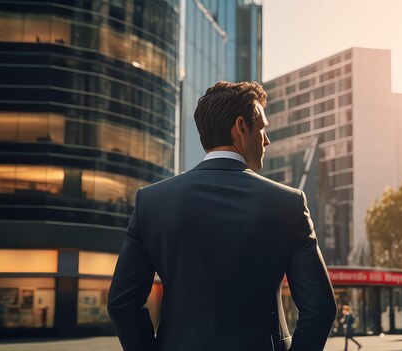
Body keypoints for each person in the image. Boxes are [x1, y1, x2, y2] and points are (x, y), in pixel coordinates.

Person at [108, 81, 337, 351]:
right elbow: (320, 308)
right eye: (262, 128)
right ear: (241, 127)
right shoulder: (288, 203)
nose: (266, 139)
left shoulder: (151, 201)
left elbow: (122, 304)